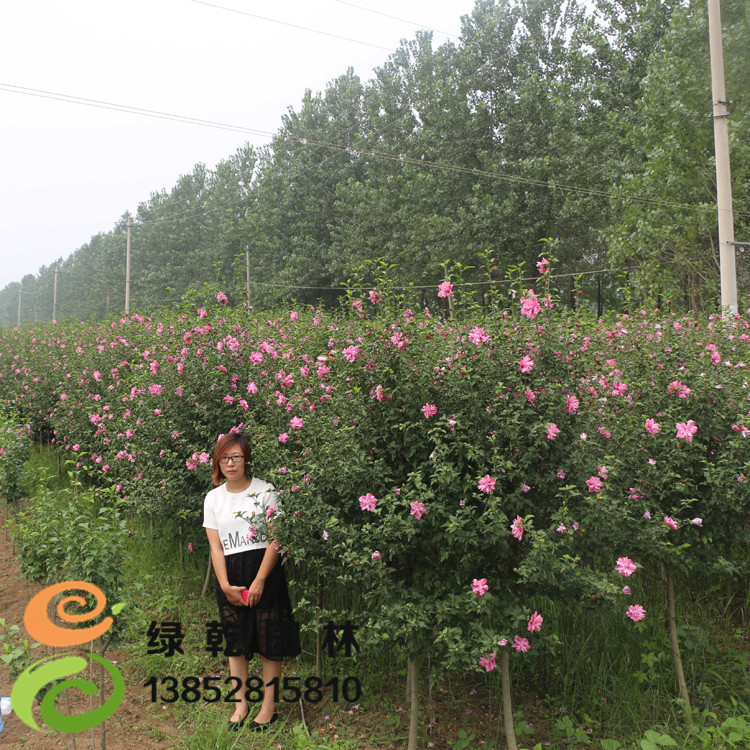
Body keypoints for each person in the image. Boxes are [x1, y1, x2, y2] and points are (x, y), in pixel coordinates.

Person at [203, 431, 300, 732]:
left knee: (269, 641)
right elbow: (216, 547)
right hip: (230, 574)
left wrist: (259, 581)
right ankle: (240, 704)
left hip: (265, 572)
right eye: (224, 458)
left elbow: (276, 539)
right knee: (236, 642)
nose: (230, 464)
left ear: (246, 460)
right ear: (217, 462)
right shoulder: (213, 498)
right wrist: (224, 584)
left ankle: (269, 707)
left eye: (236, 457)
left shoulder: (265, 491)